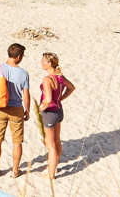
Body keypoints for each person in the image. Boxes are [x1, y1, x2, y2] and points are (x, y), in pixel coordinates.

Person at [0, 44, 31, 178]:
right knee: (17, 142)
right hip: (16, 109)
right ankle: (15, 171)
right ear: (18, 57)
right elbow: (26, 95)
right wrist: (27, 110)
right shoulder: (23, 73)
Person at [38, 52, 76, 182]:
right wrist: (60, 99)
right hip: (59, 110)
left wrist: (41, 107)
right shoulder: (60, 76)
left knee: (50, 145)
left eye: (43, 61)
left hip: (50, 113)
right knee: (57, 141)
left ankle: (51, 173)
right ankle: (53, 168)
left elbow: (48, 99)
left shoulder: (47, 79)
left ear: (49, 63)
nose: (41, 63)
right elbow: (72, 88)